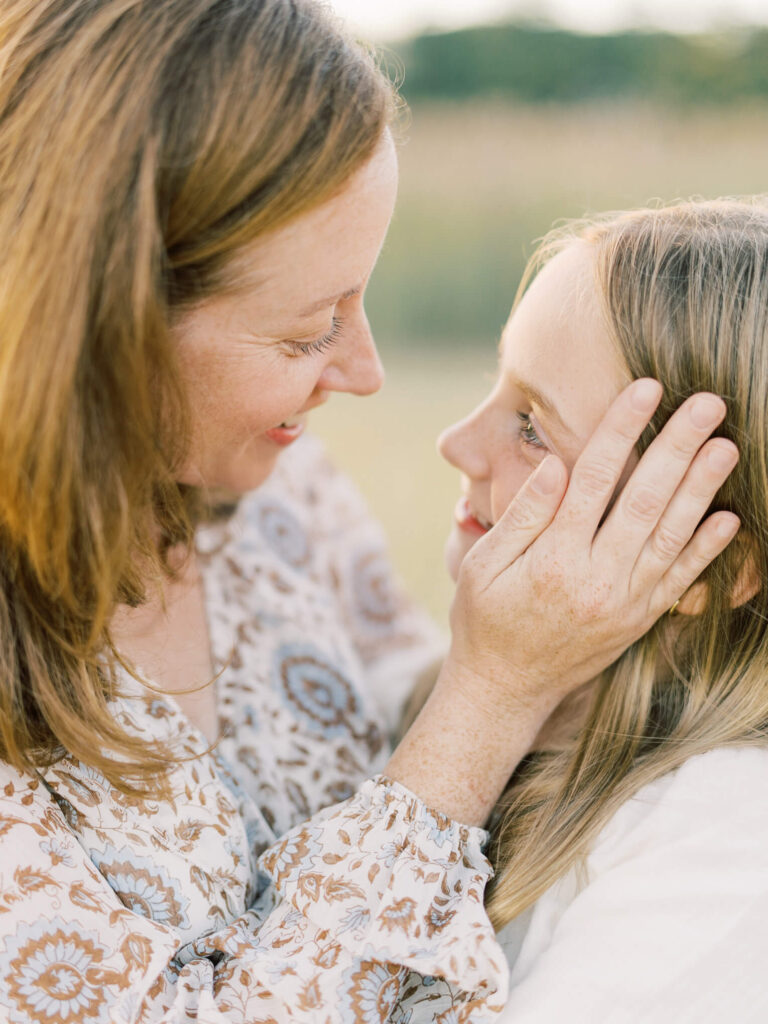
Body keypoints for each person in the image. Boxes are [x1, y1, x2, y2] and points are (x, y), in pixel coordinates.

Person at [0, 2, 739, 1021]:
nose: (366, 370)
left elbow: (404, 717)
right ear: (105, 323)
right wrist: (493, 693)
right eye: (308, 333)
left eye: (362, 299)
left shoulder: (279, 495)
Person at [406, 200, 768, 1022]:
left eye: (532, 428)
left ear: (711, 563)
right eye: (495, 387)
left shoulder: (730, 838)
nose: (458, 442)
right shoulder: (446, 690)